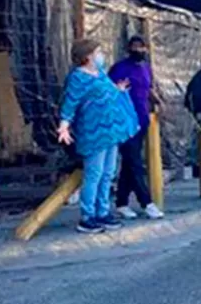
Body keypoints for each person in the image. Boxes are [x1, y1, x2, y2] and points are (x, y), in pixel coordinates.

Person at [57, 39, 140, 234]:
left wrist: (118, 90)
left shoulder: (100, 73)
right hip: (93, 132)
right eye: (98, 52)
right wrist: (64, 126)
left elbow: (108, 90)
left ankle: (103, 211)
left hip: (111, 132)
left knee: (108, 172)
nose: (101, 55)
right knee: (94, 174)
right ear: (87, 56)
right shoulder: (78, 78)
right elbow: (70, 103)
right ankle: (87, 216)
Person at [108, 36, 165, 221]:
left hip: (142, 119)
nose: (139, 50)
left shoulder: (145, 68)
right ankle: (146, 202)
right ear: (128, 49)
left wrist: (157, 101)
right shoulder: (120, 68)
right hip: (125, 121)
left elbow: (147, 88)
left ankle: (122, 202)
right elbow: (112, 91)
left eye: (142, 47)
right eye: (135, 47)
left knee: (129, 163)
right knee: (135, 162)